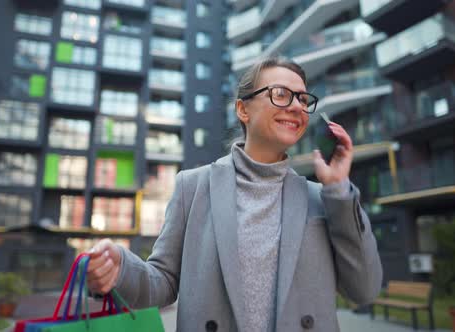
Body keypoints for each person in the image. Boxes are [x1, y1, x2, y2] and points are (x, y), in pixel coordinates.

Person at [87, 57, 382, 332]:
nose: (296, 107)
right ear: (243, 109)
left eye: (303, 99)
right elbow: (163, 281)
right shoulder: (193, 187)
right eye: (281, 94)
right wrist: (119, 270)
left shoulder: (323, 198)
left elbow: (364, 290)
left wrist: (339, 190)